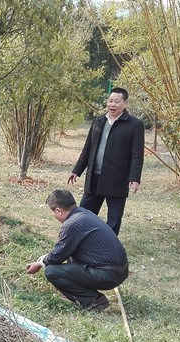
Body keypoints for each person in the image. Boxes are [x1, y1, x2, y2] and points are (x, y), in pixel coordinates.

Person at [25, 189, 128, 312]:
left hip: (108, 275)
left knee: (52, 271)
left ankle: (94, 301)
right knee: (69, 256)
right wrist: (46, 259)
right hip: (120, 270)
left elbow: (57, 256)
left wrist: (41, 263)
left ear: (58, 210)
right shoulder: (84, 213)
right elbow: (64, 250)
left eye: (53, 212)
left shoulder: (71, 224)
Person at [67, 87, 145, 235]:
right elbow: (87, 149)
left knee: (114, 219)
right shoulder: (98, 121)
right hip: (94, 177)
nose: (112, 104)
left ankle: (108, 246)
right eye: (110, 101)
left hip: (117, 179)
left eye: (117, 101)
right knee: (83, 214)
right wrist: (76, 170)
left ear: (125, 103)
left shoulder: (134, 125)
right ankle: (81, 242)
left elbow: (137, 154)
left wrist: (134, 178)